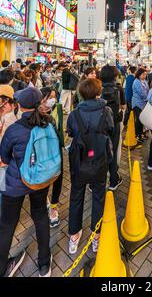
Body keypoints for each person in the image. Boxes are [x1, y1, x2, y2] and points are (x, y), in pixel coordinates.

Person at [0, 87, 53, 277]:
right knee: (40, 216)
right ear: (39, 104)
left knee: (6, 225)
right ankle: (44, 264)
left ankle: (3, 267)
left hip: (14, 182)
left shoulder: (14, 129)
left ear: (20, 106)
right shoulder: (48, 124)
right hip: (40, 179)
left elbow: (4, 158)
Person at [67, 78, 114, 254]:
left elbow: (70, 132)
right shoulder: (106, 110)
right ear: (98, 92)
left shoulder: (74, 113)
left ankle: (73, 236)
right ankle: (96, 236)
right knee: (98, 197)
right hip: (99, 160)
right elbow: (111, 130)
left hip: (79, 160)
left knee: (76, 196)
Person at [40, 87, 64, 228]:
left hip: (56, 151)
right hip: (42, 153)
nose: (52, 100)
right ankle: (45, 200)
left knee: (58, 178)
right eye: (50, 97)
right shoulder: (34, 113)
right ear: (41, 99)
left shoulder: (58, 108)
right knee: (43, 180)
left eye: (54, 96)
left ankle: (53, 207)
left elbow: (60, 129)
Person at [99, 65, 125, 191]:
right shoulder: (119, 88)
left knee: (100, 151)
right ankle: (113, 180)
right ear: (115, 76)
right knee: (113, 151)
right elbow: (124, 106)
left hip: (100, 124)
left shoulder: (98, 87)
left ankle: (98, 182)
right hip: (114, 123)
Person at [132, 68, 149, 143]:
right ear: (139, 75)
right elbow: (141, 93)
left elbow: (147, 90)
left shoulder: (144, 81)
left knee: (142, 119)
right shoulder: (136, 82)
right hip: (137, 103)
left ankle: (141, 134)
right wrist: (148, 98)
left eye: (145, 74)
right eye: (143, 74)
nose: (144, 76)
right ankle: (137, 135)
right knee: (139, 120)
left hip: (143, 103)